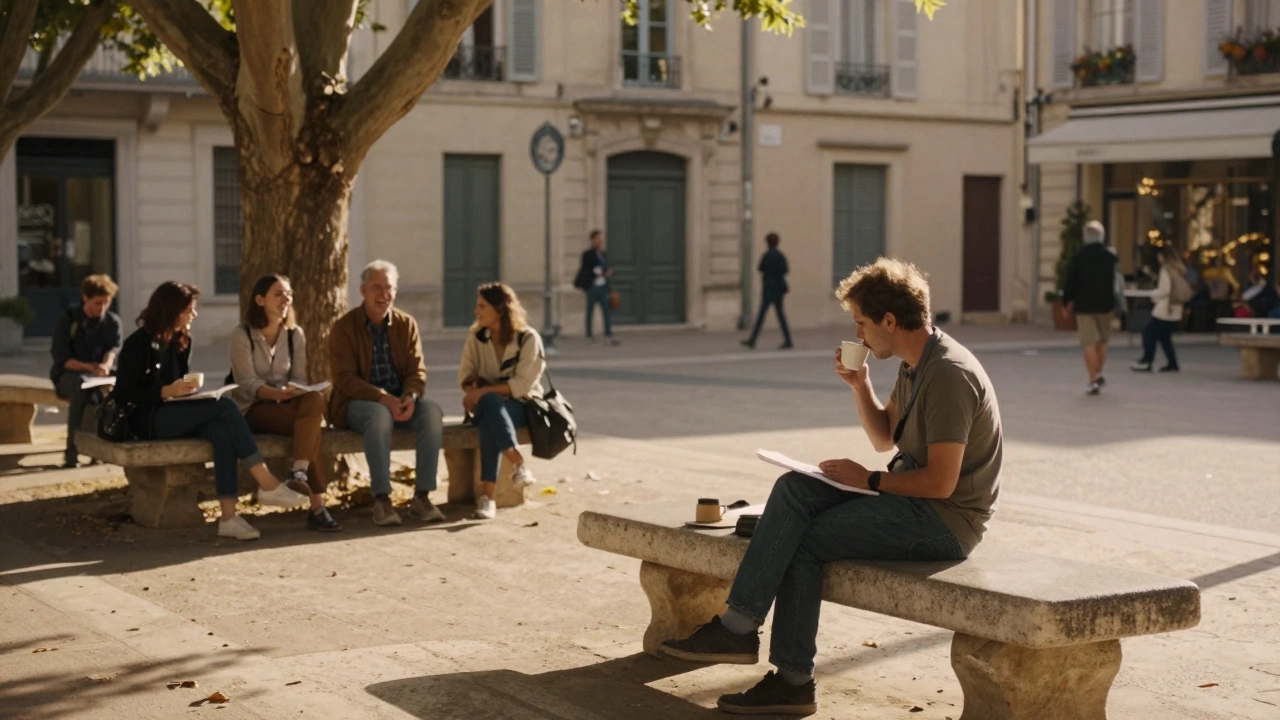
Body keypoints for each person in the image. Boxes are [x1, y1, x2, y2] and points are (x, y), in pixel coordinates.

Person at [659, 258, 1002, 716]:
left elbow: (941, 483)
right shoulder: (914, 363)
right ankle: (737, 628)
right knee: (794, 488)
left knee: (805, 540)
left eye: (861, 323)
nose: (858, 334)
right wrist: (860, 386)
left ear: (889, 321)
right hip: (912, 500)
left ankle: (792, 681)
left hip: (947, 521)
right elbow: (885, 437)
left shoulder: (948, 374)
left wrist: (870, 480)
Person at [109, 281, 307, 540]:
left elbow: (178, 383)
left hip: (173, 412)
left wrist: (187, 391)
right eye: (188, 310)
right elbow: (122, 394)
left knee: (221, 431)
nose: (194, 314)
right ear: (171, 310)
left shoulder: (182, 340)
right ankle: (266, 481)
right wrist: (164, 391)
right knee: (225, 406)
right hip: (145, 419)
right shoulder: (139, 343)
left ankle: (229, 518)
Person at [329, 260, 445, 527]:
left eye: (389, 288)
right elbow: (344, 379)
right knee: (379, 415)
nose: (384, 294)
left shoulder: (407, 324)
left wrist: (411, 396)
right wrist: (382, 398)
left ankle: (422, 497)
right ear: (363, 290)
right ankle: (381, 499)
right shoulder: (344, 328)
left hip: (398, 400)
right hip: (357, 404)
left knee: (432, 413)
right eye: (376, 288)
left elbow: (417, 371)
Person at [229, 274, 340, 533]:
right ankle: (318, 507)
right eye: (278, 294)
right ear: (260, 300)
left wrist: (293, 391)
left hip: (286, 405)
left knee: (314, 399)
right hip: (253, 409)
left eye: (288, 294)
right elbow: (247, 383)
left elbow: (299, 378)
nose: (286, 299)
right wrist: (276, 394)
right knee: (311, 430)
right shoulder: (242, 335)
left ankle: (299, 471)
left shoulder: (294, 334)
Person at [458, 282, 547, 520]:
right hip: (490, 406)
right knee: (490, 406)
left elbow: (522, 385)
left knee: (490, 414)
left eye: (482, 306)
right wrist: (473, 390)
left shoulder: (528, 338)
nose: (476, 311)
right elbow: (465, 374)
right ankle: (517, 462)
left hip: (522, 405)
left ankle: (488, 499)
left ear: (499, 309)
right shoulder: (476, 336)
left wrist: (481, 393)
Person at [49, 274, 123, 467]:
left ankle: (100, 449)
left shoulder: (112, 321)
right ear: (85, 298)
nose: (102, 307)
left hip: (99, 377)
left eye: (106, 303)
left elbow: (113, 349)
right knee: (82, 393)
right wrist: (90, 367)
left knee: (105, 396)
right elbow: (62, 358)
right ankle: (71, 453)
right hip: (68, 376)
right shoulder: (69, 319)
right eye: (98, 303)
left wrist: (106, 364)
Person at [1061, 220, 1118, 395]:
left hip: (1084, 306)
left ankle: (1093, 380)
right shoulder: (1110, 257)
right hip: (1106, 304)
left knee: (1088, 342)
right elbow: (1116, 282)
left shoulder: (1079, 257)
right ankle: (1098, 372)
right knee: (1102, 341)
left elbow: (1070, 282)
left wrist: (1066, 302)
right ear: (1102, 236)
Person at [1131, 245, 1186, 373]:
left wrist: (1153, 294)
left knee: (1148, 332)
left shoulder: (1165, 270)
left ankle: (1147, 360)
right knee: (1164, 337)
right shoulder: (1178, 269)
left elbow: (1165, 290)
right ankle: (1172, 363)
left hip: (1164, 309)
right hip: (1175, 308)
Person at [741, 232, 794, 350]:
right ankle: (788, 340)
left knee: (761, 315)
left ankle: (753, 340)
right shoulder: (780, 256)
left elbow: (760, 268)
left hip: (768, 288)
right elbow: (786, 270)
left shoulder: (766, 255)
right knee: (781, 315)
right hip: (779, 289)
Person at [574, 230, 619, 345]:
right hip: (592, 286)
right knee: (590, 310)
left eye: (601, 238)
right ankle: (589, 334)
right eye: (598, 238)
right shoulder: (588, 254)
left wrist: (608, 273)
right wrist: (601, 272)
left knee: (606, 310)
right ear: (593, 240)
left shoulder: (603, 254)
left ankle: (608, 334)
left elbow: (606, 267)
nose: (600, 241)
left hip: (603, 287)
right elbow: (589, 269)